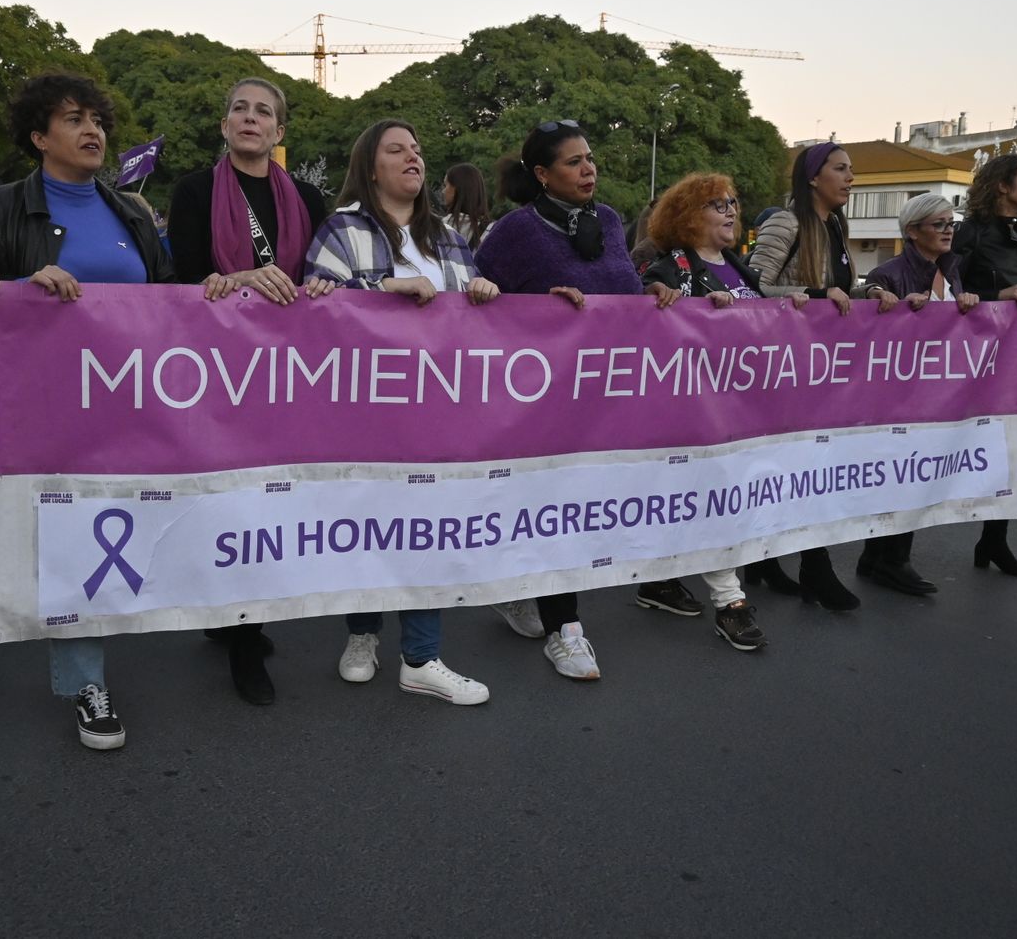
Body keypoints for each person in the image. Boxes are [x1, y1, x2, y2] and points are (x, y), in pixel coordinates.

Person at [0, 73, 174, 751]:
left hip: (129, 404)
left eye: (97, 120)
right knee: (74, 539)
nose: (92, 130)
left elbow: (170, 303)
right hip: (45, 410)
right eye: (73, 119)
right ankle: (86, 682)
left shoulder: (131, 211)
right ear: (39, 137)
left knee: (127, 529)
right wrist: (22, 288)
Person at [305, 119, 497, 705]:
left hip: (438, 417)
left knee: (426, 531)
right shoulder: (341, 230)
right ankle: (362, 633)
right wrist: (384, 290)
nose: (413, 157)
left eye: (417, 149)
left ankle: (421, 657)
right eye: (397, 150)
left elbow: (473, 322)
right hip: (367, 416)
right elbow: (315, 311)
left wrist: (484, 294)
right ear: (371, 167)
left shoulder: (452, 239)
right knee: (367, 528)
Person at [475, 119, 664, 679]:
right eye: (574, 161)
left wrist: (651, 290)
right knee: (556, 505)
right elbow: (474, 305)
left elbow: (620, 289)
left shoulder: (609, 221)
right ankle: (567, 630)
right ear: (542, 173)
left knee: (577, 505)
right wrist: (540, 307)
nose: (589, 169)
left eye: (590, 159)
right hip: (541, 400)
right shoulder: (514, 232)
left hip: (605, 397)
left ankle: (515, 590)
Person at [168, 77, 331, 706]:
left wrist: (322, 285)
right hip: (219, 370)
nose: (250, 118)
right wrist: (240, 278)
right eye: (239, 108)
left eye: (264, 112)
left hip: (288, 373)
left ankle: (242, 621)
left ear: (279, 131)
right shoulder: (193, 191)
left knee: (270, 500)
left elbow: (324, 273)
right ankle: (238, 632)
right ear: (224, 124)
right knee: (228, 499)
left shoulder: (308, 197)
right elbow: (184, 280)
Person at [637, 172, 813, 649]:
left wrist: (789, 305)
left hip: (743, 410)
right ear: (689, 216)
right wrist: (686, 304)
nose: (732, 209)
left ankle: (657, 581)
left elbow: (756, 320)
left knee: (702, 502)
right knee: (719, 500)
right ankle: (730, 602)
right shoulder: (671, 267)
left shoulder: (737, 265)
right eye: (718, 204)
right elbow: (648, 314)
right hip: (697, 413)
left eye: (733, 201)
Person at [744, 143, 901, 611]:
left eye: (852, 169)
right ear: (813, 177)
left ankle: (769, 562)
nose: (851, 177)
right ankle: (812, 568)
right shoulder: (786, 223)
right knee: (793, 467)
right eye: (841, 169)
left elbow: (840, 289)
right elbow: (752, 286)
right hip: (780, 368)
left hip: (818, 369)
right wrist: (813, 294)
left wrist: (870, 292)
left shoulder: (835, 225)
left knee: (808, 469)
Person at [856, 194, 982, 594]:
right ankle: (893, 561)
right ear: (912, 231)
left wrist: (966, 302)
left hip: (933, 394)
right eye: (938, 224)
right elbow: (866, 313)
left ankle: (875, 558)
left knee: (911, 473)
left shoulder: (951, 271)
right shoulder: (889, 274)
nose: (948, 231)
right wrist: (888, 304)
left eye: (951, 223)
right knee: (903, 476)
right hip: (896, 398)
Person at [952, 154, 1017, 578]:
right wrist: (996, 294)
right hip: (968, 359)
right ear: (1002, 186)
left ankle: (994, 540)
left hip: (1009, 358)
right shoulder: (969, 232)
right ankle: (885, 554)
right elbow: (948, 291)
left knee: (1010, 447)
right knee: (940, 444)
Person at [440, 162, 491, 248]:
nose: (443, 191)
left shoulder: (440, 227)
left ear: (457, 188)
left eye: (445, 185)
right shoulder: (492, 231)